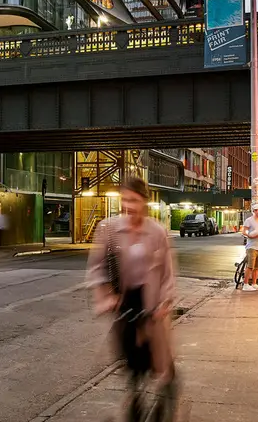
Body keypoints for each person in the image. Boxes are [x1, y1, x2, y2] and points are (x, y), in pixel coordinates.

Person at [87, 176, 178, 421]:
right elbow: (96, 268)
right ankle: (136, 397)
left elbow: (168, 273)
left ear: (145, 202)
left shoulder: (157, 231)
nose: (129, 206)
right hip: (124, 301)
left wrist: (165, 302)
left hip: (153, 301)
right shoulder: (109, 229)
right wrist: (104, 296)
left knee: (158, 358)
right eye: (125, 199)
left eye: (134, 200)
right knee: (130, 357)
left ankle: (165, 391)